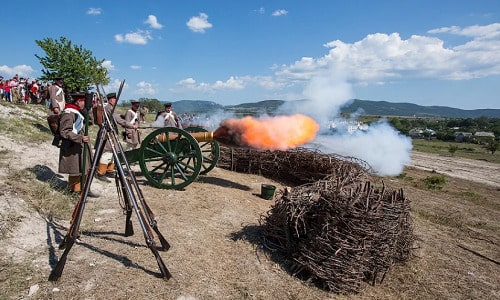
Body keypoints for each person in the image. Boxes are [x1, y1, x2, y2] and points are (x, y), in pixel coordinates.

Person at [58, 92, 98, 197]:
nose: (85, 103)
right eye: (84, 101)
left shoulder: (78, 112)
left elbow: (90, 122)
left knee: (85, 168)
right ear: (79, 101)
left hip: (81, 145)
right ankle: (74, 192)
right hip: (73, 146)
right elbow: (64, 131)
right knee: (76, 169)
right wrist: (80, 138)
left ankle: (85, 189)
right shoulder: (69, 113)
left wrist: (88, 110)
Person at [95, 93, 128, 182]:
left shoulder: (110, 108)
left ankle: (109, 170)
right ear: (110, 100)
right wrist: (131, 125)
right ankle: (100, 172)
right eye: (114, 99)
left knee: (113, 153)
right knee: (107, 153)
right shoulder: (109, 108)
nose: (116, 101)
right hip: (107, 133)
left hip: (111, 132)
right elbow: (119, 120)